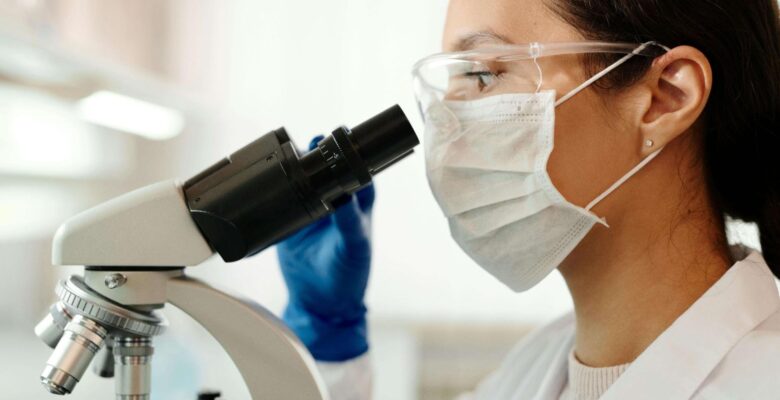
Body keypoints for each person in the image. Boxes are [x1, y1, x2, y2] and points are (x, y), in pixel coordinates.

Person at [277, 0, 780, 398]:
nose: (445, 122)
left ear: (665, 97)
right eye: (451, 81)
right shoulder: (529, 374)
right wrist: (326, 347)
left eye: (484, 74)